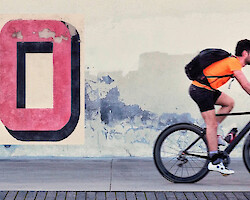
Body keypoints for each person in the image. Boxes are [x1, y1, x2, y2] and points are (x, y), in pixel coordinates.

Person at [189, 39, 250, 175]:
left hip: (207, 89)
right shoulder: (233, 62)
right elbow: (246, 85)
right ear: (245, 53)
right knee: (212, 125)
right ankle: (214, 161)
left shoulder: (232, 61)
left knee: (229, 103)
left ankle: (213, 135)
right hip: (201, 90)